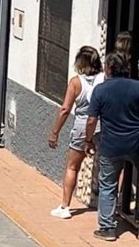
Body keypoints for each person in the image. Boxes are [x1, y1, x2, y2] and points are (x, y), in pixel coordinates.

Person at [85, 52, 139, 241]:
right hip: (136, 143)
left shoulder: (101, 90)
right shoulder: (137, 87)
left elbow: (91, 120)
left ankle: (107, 228)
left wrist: (88, 140)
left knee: (108, 185)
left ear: (109, 68)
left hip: (111, 146)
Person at [48, 46, 104, 219]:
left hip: (82, 125)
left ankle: (65, 206)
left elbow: (65, 109)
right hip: (103, 125)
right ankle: (110, 206)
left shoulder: (75, 82)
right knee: (109, 166)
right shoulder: (105, 79)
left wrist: (55, 132)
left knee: (72, 166)